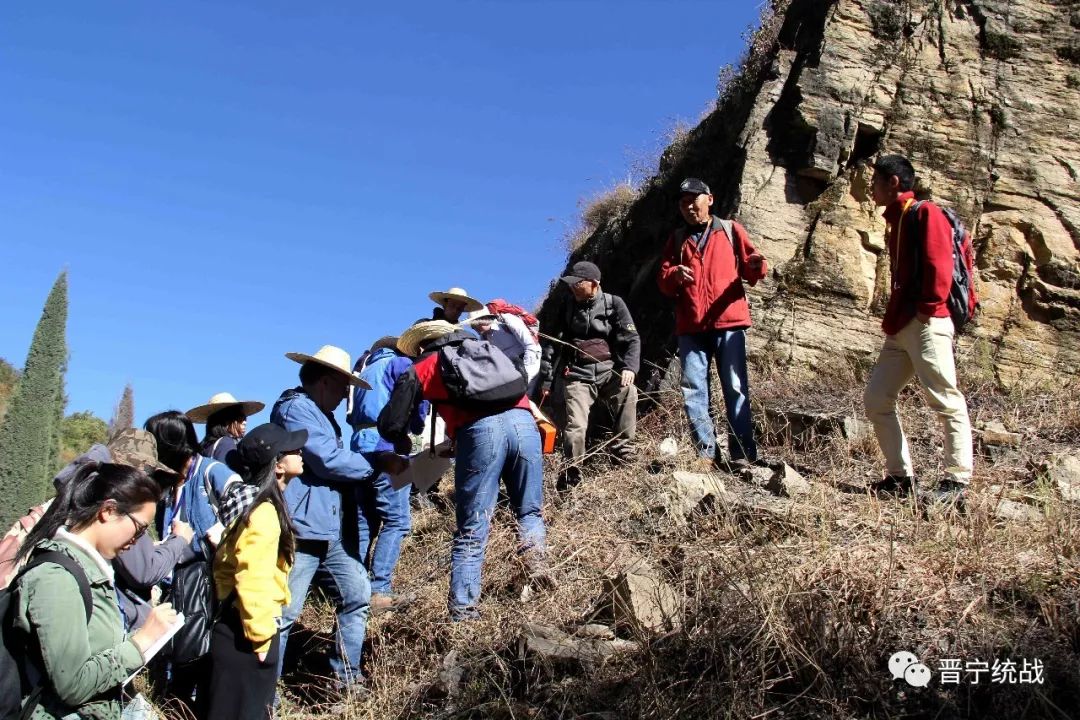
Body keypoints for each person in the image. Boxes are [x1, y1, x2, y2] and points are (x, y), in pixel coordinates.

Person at [379, 321, 548, 621]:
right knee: (529, 511)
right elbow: (519, 378)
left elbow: (392, 422)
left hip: (480, 434)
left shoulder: (423, 366)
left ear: (422, 345)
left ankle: (463, 613)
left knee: (472, 529)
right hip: (524, 424)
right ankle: (537, 566)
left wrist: (401, 439)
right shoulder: (486, 349)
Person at [271, 344, 405, 695]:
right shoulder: (297, 410)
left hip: (325, 529)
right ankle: (264, 694)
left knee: (357, 594)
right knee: (283, 614)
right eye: (344, 386)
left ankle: (346, 679)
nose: (347, 394)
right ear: (327, 382)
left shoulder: (320, 415)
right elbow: (327, 460)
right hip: (300, 529)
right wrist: (376, 464)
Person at [8, 462, 180, 720]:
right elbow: (73, 684)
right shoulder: (56, 579)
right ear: (108, 511)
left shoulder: (90, 569)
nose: (138, 541)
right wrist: (141, 642)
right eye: (140, 528)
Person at [864, 154, 974, 505]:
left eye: (875, 181)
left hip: (927, 321)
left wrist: (927, 311)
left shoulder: (925, 212)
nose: (871, 188)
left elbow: (939, 264)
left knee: (944, 397)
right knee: (877, 398)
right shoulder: (898, 220)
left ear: (893, 183)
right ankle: (899, 477)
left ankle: (957, 480)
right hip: (902, 326)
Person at [657, 177, 768, 472]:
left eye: (694, 199)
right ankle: (706, 453)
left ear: (710, 199)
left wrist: (758, 264)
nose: (689, 206)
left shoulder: (730, 230)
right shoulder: (677, 239)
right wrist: (674, 276)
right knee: (693, 388)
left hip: (728, 321)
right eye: (683, 202)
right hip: (691, 325)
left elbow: (752, 266)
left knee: (735, 387)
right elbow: (664, 281)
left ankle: (742, 452)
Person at [206, 423, 306, 719]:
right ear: (277, 466)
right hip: (249, 637)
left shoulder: (250, 506)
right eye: (291, 449)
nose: (300, 452)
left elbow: (226, 572)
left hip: (235, 627)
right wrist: (262, 638)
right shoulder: (263, 513)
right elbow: (253, 577)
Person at [143, 410, 240, 711]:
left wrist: (209, 538)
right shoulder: (169, 487)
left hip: (206, 589)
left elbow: (248, 512)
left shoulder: (211, 473)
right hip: (177, 590)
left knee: (202, 662)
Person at [539, 261, 641, 490]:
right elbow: (551, 346)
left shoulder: (614, 304)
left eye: (578, 284)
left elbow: (632, 339)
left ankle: (623, 450)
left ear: (594, 284)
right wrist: (546, 380)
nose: (573, 288)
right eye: (571, 284)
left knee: (628, 391)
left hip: (609, 370)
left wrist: (629, 368)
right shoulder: (566, 306)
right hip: (577, 374)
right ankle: (572, 470)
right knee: (575, 425)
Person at [347, 336, 428, 613]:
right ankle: (380, 589)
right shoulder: (401, 365)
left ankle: (353, 588)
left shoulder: (365, 369)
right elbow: (417, 416)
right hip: (388, 446)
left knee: (364, 519)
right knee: (397, 520)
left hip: (358, 446)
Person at [468, 307, 542, 395]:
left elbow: (531, 346)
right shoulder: (484, 338)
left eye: (476, 324)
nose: (475, 328)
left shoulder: (507, 321)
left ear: (485, 319)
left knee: (524, 395)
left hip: (529, 361)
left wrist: (526, 374)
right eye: (472, 326)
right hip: (511, 370)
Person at [186, 393, 265, 462]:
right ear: (226, 420)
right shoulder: (225, 443)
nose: (245, 422)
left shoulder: (203, 448)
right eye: (240, 417)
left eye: (245, 417)